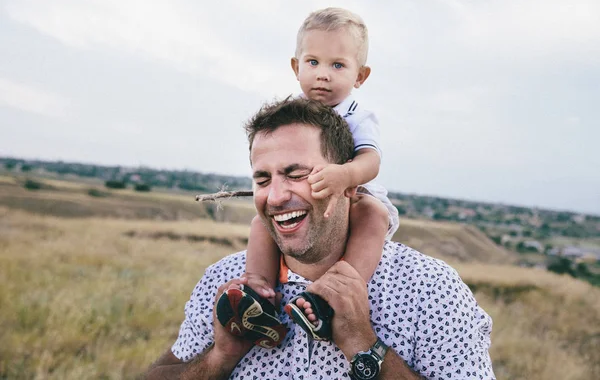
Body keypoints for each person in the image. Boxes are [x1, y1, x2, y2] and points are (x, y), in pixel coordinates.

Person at [144, 97, 496, 379]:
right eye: (263, 180)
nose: (276, 196)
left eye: (296, 175)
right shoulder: (224, 286)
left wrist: (365, 346)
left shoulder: (430, 290)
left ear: (349, 183)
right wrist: (219, 358)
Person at [240, 7, 400, 342]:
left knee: (374, 215)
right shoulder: (293, 110)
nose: (322, 74)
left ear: (360, 76)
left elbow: (371, 161)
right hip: (310, 194)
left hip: (353, 194)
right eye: (312, 63)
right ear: (296, 67)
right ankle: (257, 293)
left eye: (337, 65)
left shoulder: (357, 114)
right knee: (262, 222)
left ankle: (339, 292)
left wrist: (346, 174)